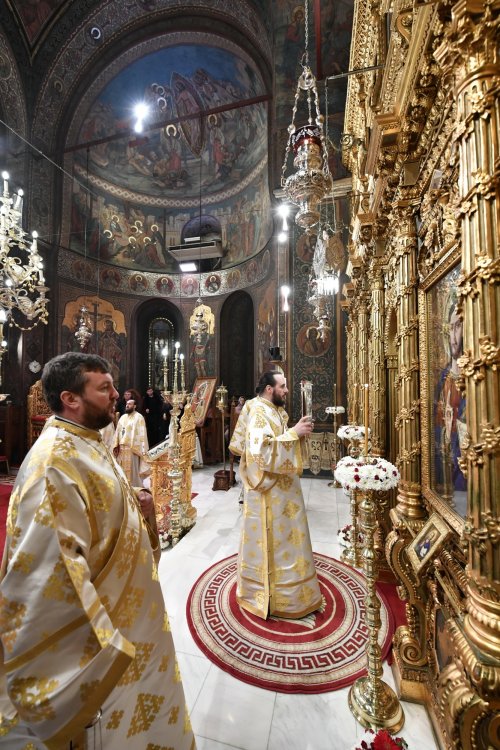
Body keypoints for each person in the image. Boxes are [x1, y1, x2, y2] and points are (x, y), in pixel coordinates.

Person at [0, 352, 195, 749]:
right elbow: (49, 584)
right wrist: (101, 659)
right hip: (110, 645)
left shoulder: (87, 441)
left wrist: (145, 516)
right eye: (103, 388)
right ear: (71, 398)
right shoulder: (52, 465)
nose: (114, 396)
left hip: (136, 616)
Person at [229, 371, 322, 620]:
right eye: (282, 386)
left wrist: (295, 432)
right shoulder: (260, 411)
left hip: (283, 486)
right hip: (270, 492)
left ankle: (292, 591)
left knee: (289, 540)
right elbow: (260, 451)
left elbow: (245, 444)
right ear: (269, 389)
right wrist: (294, 433)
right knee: (278, 544)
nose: (286, 390)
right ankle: (275, 596)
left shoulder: (271, 408)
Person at [434, 303, 467, 494]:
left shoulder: (471, 377)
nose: (454, 336)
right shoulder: (443, 377)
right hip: (442, 465)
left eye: (459, 326)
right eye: (451, 327)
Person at [113, 398, 150, 485]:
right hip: (122, 448)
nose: (127, 405)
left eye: (130, 404)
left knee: (133, 471)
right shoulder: (122, 417)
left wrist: (142, 448)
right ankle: (123, 487)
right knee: (121, 469)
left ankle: (135, 488)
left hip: (133, 448)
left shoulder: (139, 417)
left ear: (135, 406)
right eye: (127, 404)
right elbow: (117, 431)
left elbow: (142, 433)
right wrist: (116, 444)